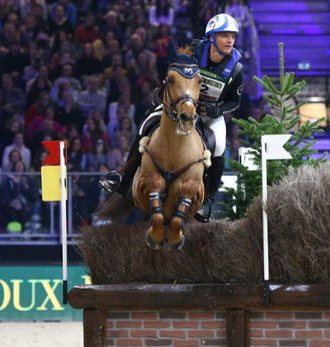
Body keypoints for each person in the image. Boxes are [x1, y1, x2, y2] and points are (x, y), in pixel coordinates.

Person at [101, 14, 244, 223]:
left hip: (209, 115)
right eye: (224, 35)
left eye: (232, 36)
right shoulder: (196, 52)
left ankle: (207, 201)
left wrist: (217, 109)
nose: (230, 40)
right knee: (145, 128)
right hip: (178, 106)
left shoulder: (236, 68)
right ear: (211, 37)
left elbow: (235, 101)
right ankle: (122, 179)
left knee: (220, 146)